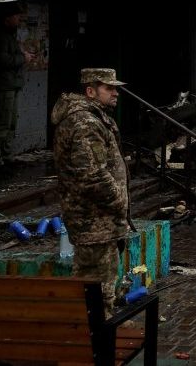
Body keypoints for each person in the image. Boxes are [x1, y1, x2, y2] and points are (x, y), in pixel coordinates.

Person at [52, 68, 132, 312]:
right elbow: (93, 175)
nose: (115, 93)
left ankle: (100, 327)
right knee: (95, 281)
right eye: (109, 88)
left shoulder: (95, 117)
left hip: (100, 220)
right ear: (90, 91)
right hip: (93, 219)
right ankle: (98, 335)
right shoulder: (85, 122)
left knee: (101, 279)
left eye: (115, 87)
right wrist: (119, 200)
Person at [0, 2, 35, 170]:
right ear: (7, 18)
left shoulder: (6, 34)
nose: (19, 20)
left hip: (10, 84)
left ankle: (6, 156)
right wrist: (23, 58)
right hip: (2, 86)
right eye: (17, 17)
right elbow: (1, 61)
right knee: (1, 123)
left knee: (10, 123)